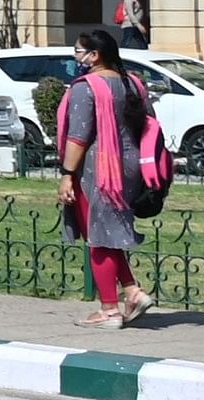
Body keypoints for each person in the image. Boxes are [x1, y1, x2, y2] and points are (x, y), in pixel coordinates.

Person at [60, 28, 157, 327]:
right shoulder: (134, 84)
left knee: (99, 239)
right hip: (131, 167)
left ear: (94, 55)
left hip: (99, 168)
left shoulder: (85, 87)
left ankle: (109, 311)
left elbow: (78, 137)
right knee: (111, 232)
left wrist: (66, 174)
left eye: (78, 51)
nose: (77, 57)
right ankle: (133, 292)